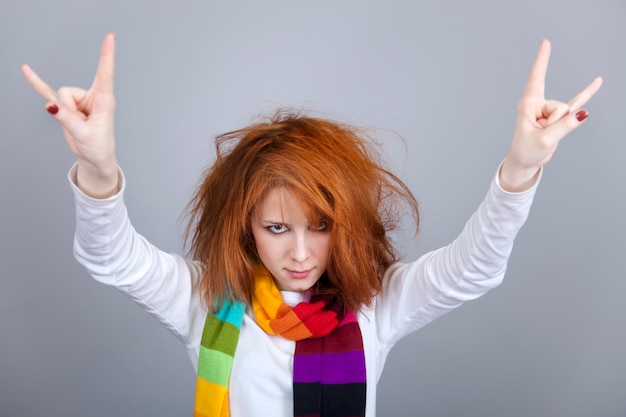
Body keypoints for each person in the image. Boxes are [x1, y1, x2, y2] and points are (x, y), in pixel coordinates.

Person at [22, 33, 602, 417]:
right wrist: (96, 165)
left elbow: (474, 268)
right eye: (277, 229)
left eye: (320, 226)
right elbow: (111, 256)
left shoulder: (377, 304)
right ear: (245, 227)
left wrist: (523, 165)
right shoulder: (204, 300)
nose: (300, 252)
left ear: (344, 224)